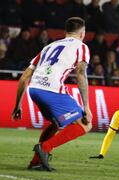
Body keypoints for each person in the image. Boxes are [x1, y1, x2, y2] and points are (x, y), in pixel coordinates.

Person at [11, 17, 92, 171]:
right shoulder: (81, 47)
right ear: (82, 33)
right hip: (52, 89)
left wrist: (18, 106)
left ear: (66, 32)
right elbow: (81, 73)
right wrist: (86, 106)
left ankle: (36, 162)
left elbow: (24, 78)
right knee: (85, 124)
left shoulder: (49, 46)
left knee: (56, 123)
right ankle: (44, 148)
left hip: (34, 89)